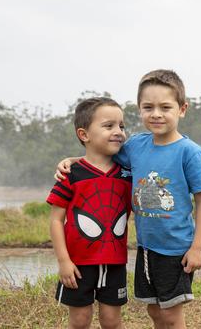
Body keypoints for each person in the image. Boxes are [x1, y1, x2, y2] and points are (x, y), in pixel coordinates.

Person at [56, 70, 201, 329]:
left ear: (182, 109)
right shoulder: (136, 146)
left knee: (172, 315)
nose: (156, 114)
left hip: (176, 248)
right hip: (146, 247)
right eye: (148, 107)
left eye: (165, 107)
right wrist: (72, 161)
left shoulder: (190, 152)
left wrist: (197, 248)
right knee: (154, 309)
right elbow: (101, 154)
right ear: (139, 109)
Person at [47, 97, 132, 329]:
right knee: (80, 320)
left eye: (122, 126)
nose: (118, 132)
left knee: (112, 321)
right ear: (84, 135)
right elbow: (56, 220)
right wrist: (64, 261)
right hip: (78, 264)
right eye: (108, 126)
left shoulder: (128, 174)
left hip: (115, 261)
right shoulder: (71, 174)